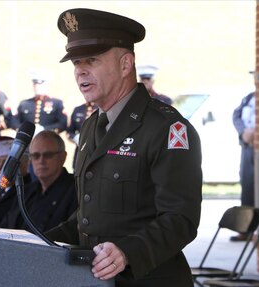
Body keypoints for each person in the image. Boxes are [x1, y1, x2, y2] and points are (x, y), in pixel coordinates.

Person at [46, 8, 202, 286]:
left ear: (125, 64)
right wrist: (36, 240)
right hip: (93, 280)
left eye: (91, 60)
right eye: (76, 62)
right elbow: (89, 215)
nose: (80, 70)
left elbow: (180, 218)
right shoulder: (91, 126)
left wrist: (127, 252)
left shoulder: (166, 128)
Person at [1, 131, 77, 233]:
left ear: (63, 157)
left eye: (48, 155)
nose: (41, 161)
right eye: (36, 156)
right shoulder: (24, 192)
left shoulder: (76, 191)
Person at [231, 82, 255, 242]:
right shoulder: (249, 97)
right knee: (247, 187)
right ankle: (245, 230)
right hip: (248, 147)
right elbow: (236, 115)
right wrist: (243, 132)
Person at [13, 70, 67, 135]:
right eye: (35, 84)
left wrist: (44, 129)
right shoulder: (24, 104)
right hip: (29, 141)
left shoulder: (57, 103)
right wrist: (27, 130)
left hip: (49, 139)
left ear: (46, 85)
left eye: (40, 84)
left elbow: (62, 124)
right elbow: (14, 123)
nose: (37, 87)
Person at [67, 101, 97, 169]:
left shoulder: (101, 108)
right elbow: (70, 131)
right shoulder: (78, 109)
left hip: (96, 148)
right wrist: (75, 137)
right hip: (80, 148)